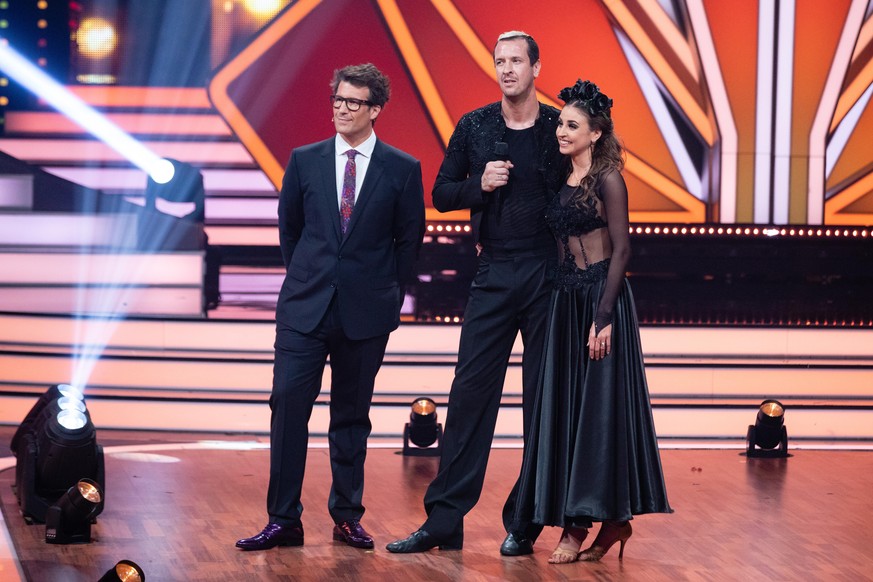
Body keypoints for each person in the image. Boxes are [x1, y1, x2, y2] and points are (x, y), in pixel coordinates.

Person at [236, 63, 425, 551]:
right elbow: (291, 232)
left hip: (366, 313)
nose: (342, 109)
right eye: (338, 100)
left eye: (353, 102)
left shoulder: (402, 168)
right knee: (287, 409)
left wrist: (386, 295)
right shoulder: (304, 159)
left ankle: (346, 516)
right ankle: (283, 519)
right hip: (305, 308)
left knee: (350, 417)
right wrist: (308, 278)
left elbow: (408, 242)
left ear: (375, 109)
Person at [387, 31, 562, 555]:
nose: (507, 70)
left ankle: (526, 520)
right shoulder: (475, 125)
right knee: (469, 396)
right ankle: (444, 520)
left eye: (516, 61)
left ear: (535, 66)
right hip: (493, 272)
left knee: (540, 399)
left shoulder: (559, 126)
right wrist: (477, 185)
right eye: (499, 61)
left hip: (548, 274)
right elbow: (440, 194)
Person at [509, 79, 672, 564]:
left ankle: (581, 526)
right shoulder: (563, 181)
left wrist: (603, 318)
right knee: (568, 412)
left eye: (572, 125)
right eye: (560, 123)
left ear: (596, 133)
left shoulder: (608, 179)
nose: (562, 131)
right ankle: (609, 523)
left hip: (601, 305)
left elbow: (622, 250)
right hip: (565, 304)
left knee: (598, 416)